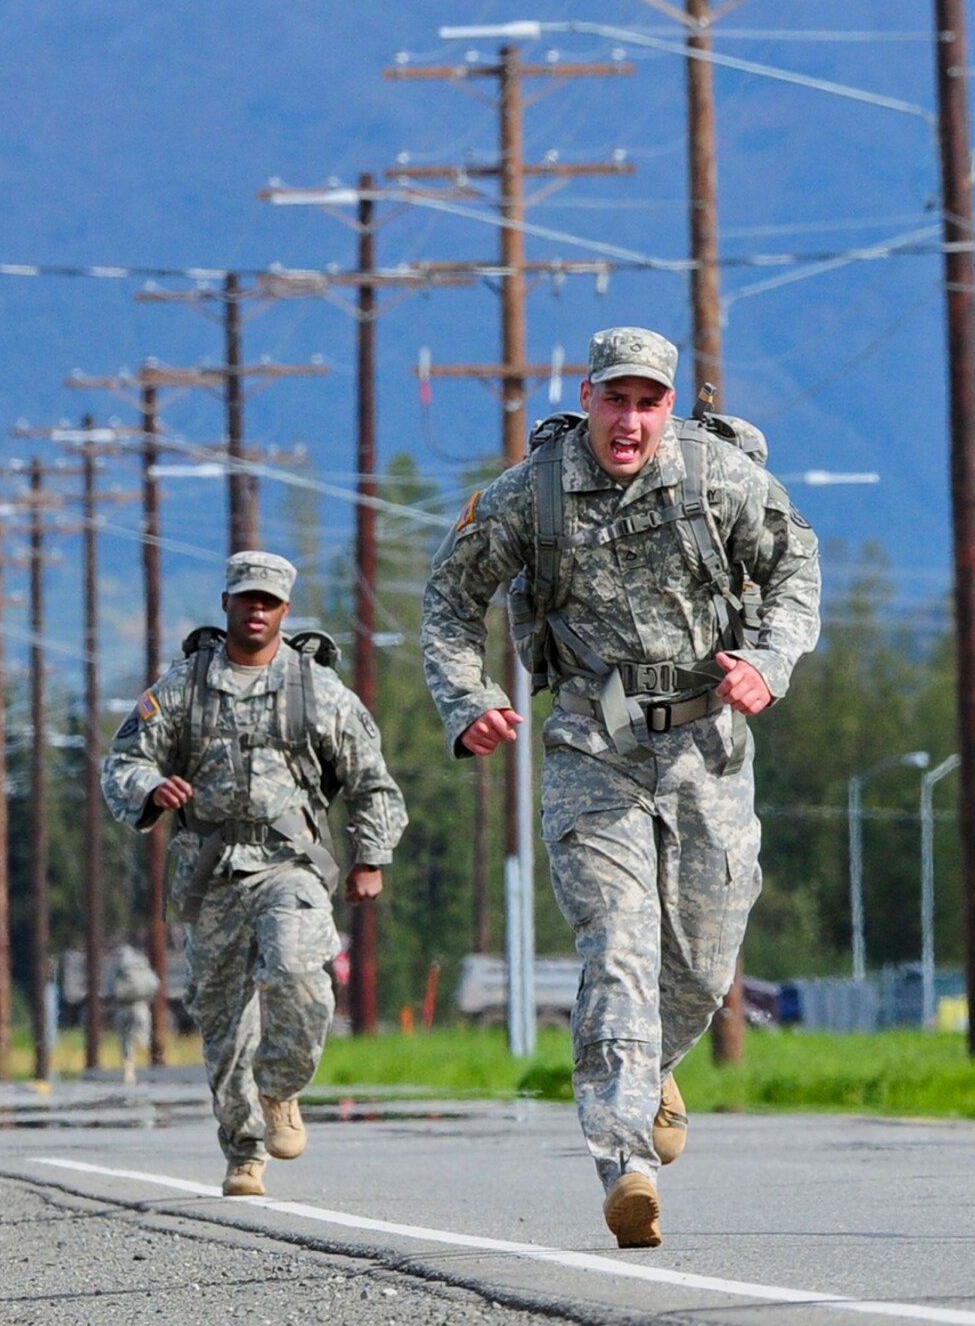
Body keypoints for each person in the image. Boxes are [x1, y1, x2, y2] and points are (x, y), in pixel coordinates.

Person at [421, 327, 819, 1249]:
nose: (629, 420)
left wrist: (769, 660)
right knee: (618, 946)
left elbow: (796, 567)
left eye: (648, 402)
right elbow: (448, 600)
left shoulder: (719, 480)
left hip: (707, 753)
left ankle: (651, 1070)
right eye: (615, 400)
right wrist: (468, 701)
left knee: (704, 964)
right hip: (590, 752)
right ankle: (625, 1163)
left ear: (667, 407)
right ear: (589, 398)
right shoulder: (533, 495)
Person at [102, 549, 407, 1196]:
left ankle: (281, 1090)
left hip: (291, 864)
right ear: (227, 604)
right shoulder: (183, 688)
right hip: (209, 873)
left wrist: (372, 855)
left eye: (269, 601)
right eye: (247, 599)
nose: (258, 611)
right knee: (223, 1022)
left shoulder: (318, 690)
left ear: (285, 610)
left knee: (301, 977)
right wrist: (152, 787)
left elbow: (372, 782)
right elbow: (122, 762)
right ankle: (244, 1150)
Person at [106, 940, 160, 1085]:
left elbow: (110, 986)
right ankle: (141, 1039)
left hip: (122, 1007)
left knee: (125, 1041)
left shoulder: (118, 967)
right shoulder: (142, 965)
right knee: (142, 1034)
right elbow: (154, 984)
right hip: (140, 1006)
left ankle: (129, 1072)